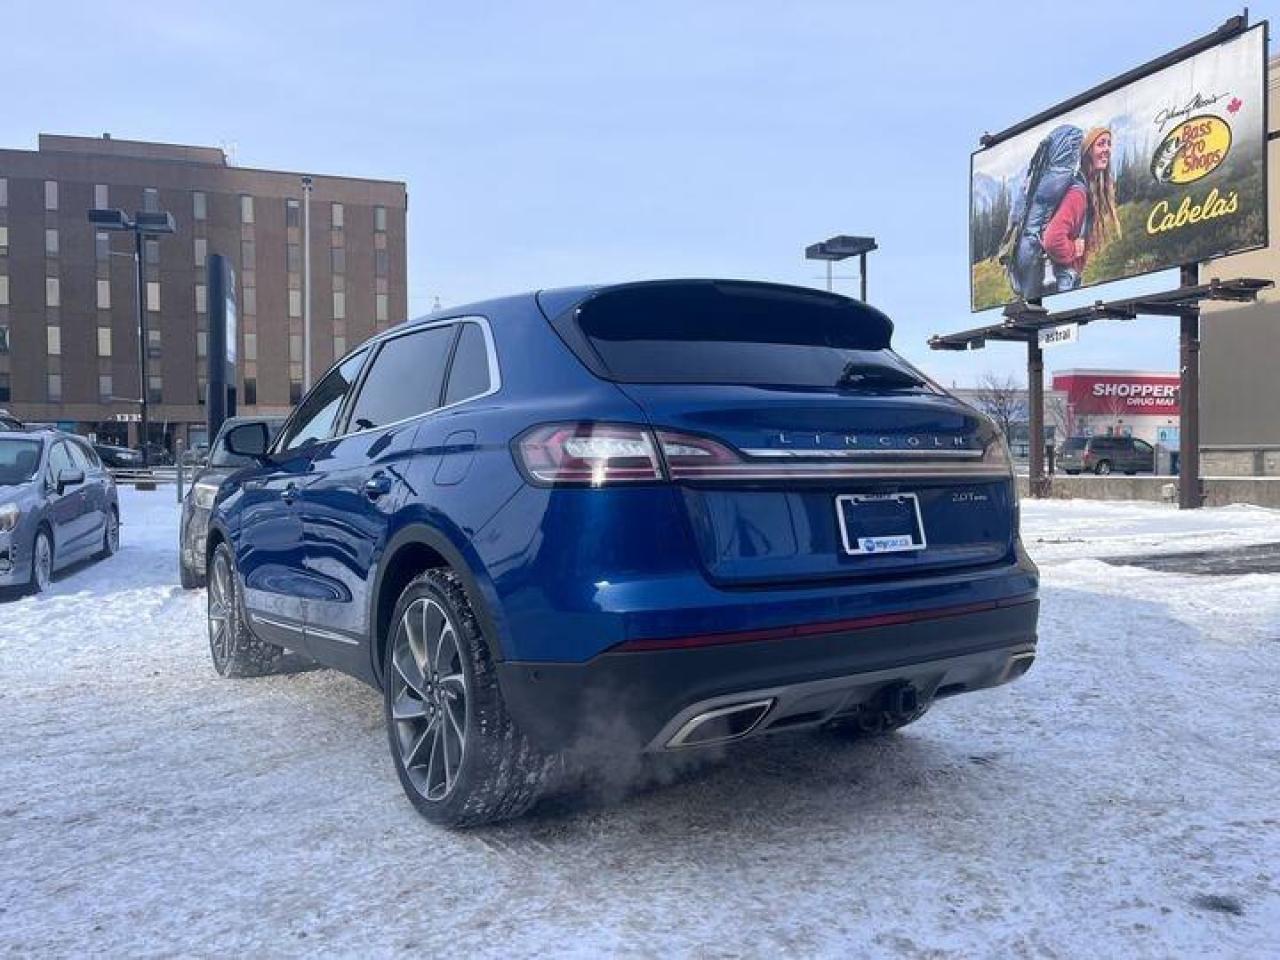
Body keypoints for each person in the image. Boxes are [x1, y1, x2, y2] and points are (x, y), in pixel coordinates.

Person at [1042, 126, 1122, 292]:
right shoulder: (1077, 193)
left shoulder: (1084, 187)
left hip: (1068, 275)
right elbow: (1051, 239)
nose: (1107, 149)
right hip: (1064, 277)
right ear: (1088, 151)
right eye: (1101, 144)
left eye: (1109, 144)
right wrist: (1073, 249)